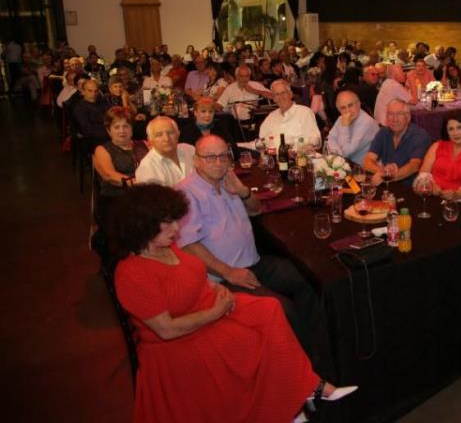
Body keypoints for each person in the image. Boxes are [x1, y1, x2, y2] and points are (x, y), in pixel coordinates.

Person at [111, 184, 351, 423]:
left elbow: (190, 275)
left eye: (176, 220)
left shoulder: (165, 246)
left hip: (207, 305)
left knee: (270, 308)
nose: (176, 227)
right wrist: (216, 312)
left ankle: (301, 389)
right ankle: (287, 402)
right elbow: (167, 330)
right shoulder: (132, 274)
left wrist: (214, 288)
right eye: (168, 222)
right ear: (143, 226)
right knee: (250, 340)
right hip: (181, 339)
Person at [177, 135, 325, 354]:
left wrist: (243, 192)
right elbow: (189, 246)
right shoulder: (185, 193)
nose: (218, 163)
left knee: (307, 280)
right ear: (196, 160)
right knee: (283, 309)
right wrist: (228, 272)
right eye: (210, 157)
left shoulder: (228, 180)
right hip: (223, 277)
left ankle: (317, 352)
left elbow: (256, 210)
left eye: (223, 156)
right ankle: (301, 363)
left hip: (253, 262)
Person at [415, 109, 461, 202]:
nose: (455, 133)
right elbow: (422, 175)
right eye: (451, 129)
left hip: (459, 201)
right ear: (447, 132)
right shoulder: (437, 146)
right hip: (431, 197)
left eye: (459, 127)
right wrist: (431, 187)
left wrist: (457, 194)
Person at [92, 107, 148, 220]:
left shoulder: (145, 144)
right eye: (116, 127)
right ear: (109, 130)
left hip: (144, 195)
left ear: (132, 128)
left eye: (126, 126)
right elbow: (109, 174)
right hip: (116, 198)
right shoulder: (102, 150)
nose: (122, 131)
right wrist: (136, 182)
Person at [364, 99, 431, 185]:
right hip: (388, 184)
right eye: (390, 114)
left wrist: (390, 176)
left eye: (399, 114)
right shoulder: (383, 132)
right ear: (386, 118)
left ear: (408, 117)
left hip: (411, 188)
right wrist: (384, 173)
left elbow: (414, 165)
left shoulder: (419, 135)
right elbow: (367, 161)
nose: (394, 119)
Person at [258, 79, 321, 147]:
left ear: (290, 94)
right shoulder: (270, 117)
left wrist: (293, 143)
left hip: (298, 152)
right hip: (273, 153)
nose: (281, 97)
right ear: (274, 98)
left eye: (283, 93)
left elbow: (316, 140)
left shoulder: (305, 113)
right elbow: (261, 141)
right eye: (277, 94)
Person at [135, 116, 195, 186]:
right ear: (150, 140)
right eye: (159, 135)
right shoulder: (147, 168)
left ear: (178, 134)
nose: (166, 139)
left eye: (170, 133)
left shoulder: (189, 150)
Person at [327, 90, 379, 165]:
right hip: (346, 165)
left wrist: (344, 127)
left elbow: (346, 153)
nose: (347, 110)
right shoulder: (341, 118)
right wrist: (337, 153)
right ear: (339, 110)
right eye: (343, 108)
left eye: (350, 105)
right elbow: (331, 138)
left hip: (363, 169)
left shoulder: (367, 123)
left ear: (359, 104)